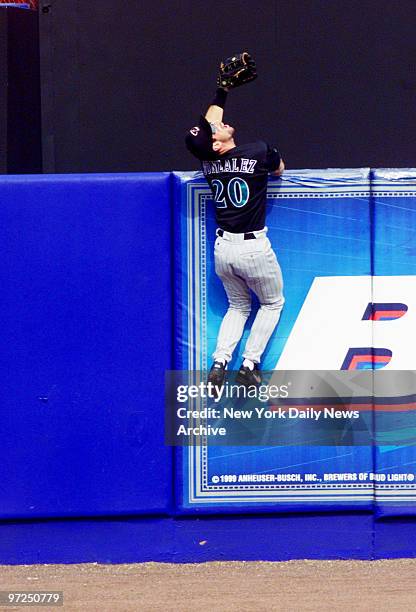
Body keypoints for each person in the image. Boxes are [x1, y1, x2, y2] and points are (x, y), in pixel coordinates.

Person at [185, 79, 285, 388]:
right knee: (272, 303)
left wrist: (222, 91)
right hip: (252, 248)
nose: (217, 124)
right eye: (214, 130)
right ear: (215, 143)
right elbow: (280, 168)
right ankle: (250, 364)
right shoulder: (256, 150)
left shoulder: (208, 162)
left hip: (223, 249)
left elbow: (208, 128)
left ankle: (219, 362)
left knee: (238, 306)